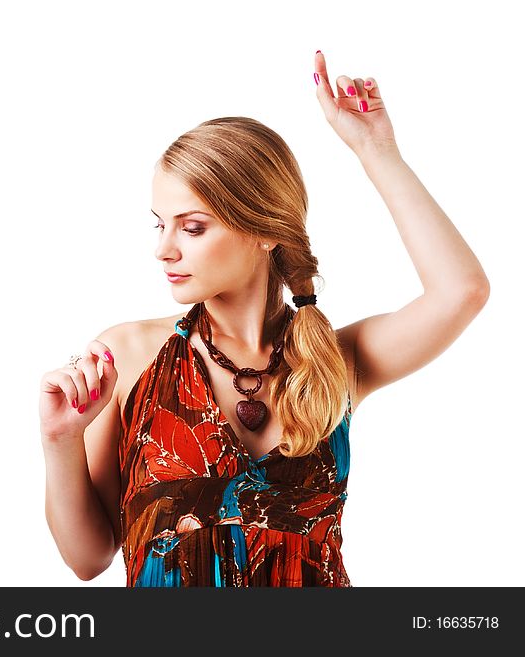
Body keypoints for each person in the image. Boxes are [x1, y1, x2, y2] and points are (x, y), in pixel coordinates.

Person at [38, 51, 490, 586]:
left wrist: (376, 148)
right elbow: (88, 558)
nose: (164, 249)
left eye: (193, 227)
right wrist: (60, 442)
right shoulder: (130, 356)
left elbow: (461, 290)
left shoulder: (335, 363)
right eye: (159, 223)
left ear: (265, 230)